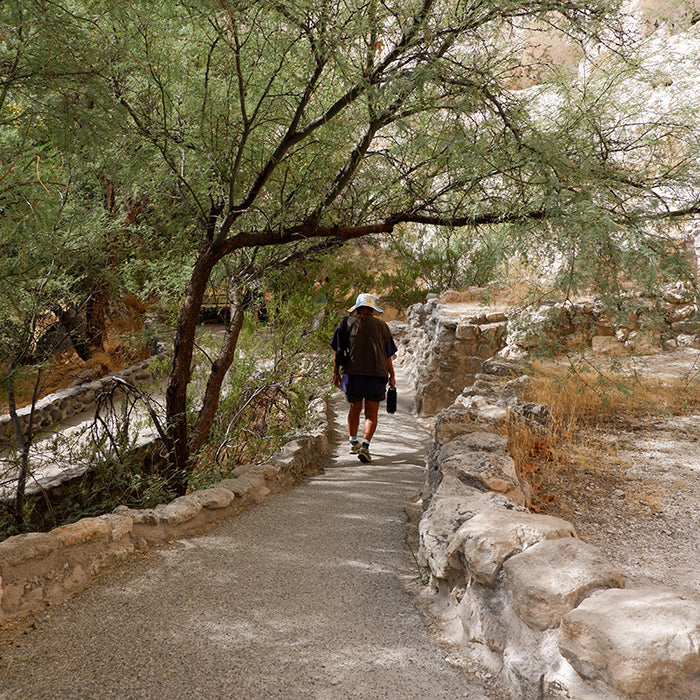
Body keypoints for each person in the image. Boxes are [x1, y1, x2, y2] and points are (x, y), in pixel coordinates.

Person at [330, 293, 397, 463]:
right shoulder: (382, 326)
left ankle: (353, 442)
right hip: (377, 375)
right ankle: (365, 446)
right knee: (371, 414)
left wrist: (336, 373)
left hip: (352, 375)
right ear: (373, 310)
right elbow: (388, 354)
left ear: (357, 308)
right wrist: (392, 375)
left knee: (354, 409)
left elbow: (338, 352)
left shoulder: (345, 323)